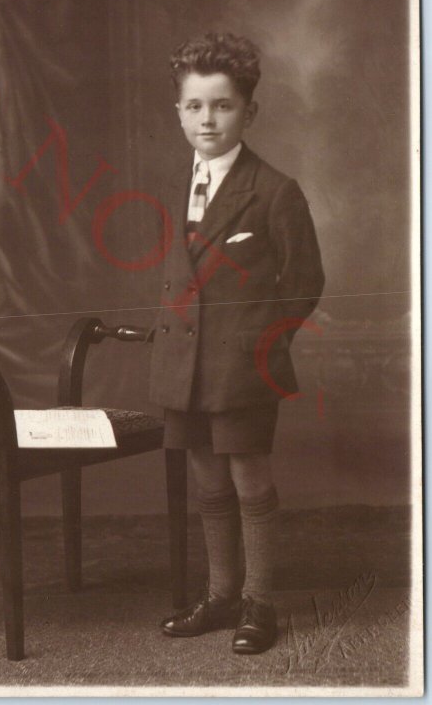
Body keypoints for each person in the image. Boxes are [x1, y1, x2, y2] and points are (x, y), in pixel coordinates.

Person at [148, 33, 325, 654]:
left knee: (250, 481)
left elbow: (305, 284)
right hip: (185, 367)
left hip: (243, 369)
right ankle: (221, 593)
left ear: (250, 112)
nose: (207, 119)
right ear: (177, 112)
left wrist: (259, 347)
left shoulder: (275, 190)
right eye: (195, 106)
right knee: (207, 480)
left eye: (222, 106)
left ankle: (260, 603)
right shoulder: (183, 180)